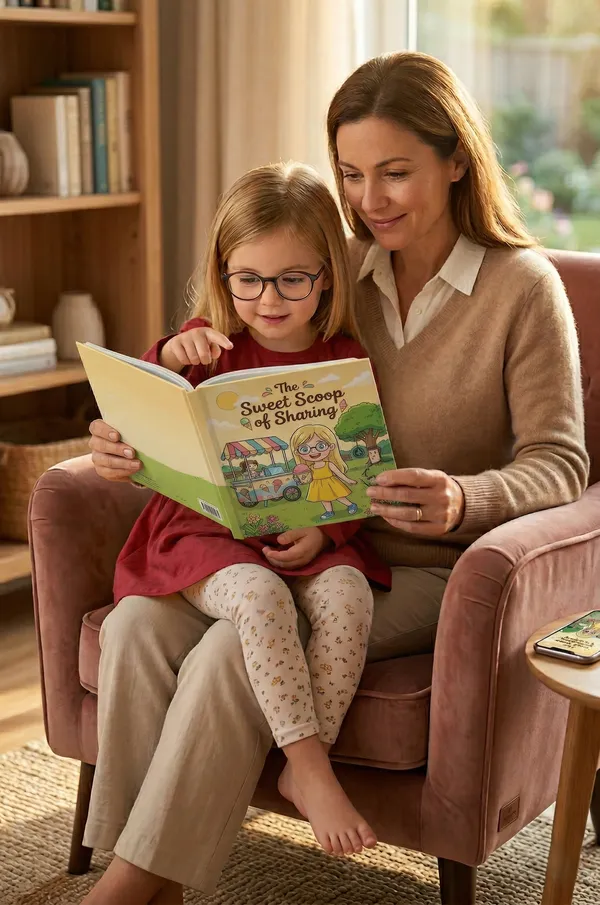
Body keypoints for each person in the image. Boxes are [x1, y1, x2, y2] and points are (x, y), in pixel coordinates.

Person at [84, 51, 588, 905]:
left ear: (457, 159)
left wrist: (467, 497)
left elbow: (562, 462)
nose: (369, 200)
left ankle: (132, 886)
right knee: (134, 624)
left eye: (395, 173)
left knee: (225, 654)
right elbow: (206, 362)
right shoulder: (324, 266)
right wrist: (125, 433)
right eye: (352, 174)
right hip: (277, 542)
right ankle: (141, 873)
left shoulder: (521, 288)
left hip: (421, 564)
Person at [290, 424, 359, 519]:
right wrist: (302, 480)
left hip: (331, 484)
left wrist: (348, 480)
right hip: (317, 486)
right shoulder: (310, 467)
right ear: (298, 452)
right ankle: (329, 512)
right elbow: (307, 477)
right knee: (323, 499)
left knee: (339, 496)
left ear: (331, 446)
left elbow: (339, 474)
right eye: (305, 449)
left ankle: (351, 505)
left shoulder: (329, 464)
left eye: (320, 446)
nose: (313, 451)